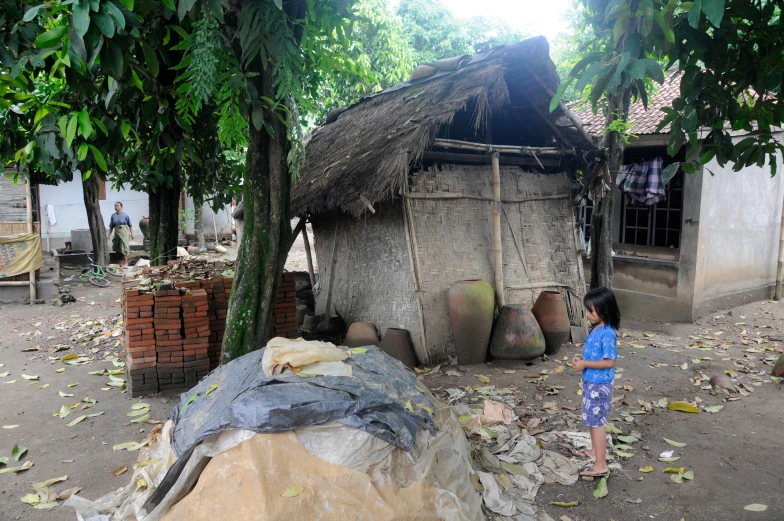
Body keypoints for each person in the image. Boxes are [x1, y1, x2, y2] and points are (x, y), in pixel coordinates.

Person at [572, 286, 620, 478]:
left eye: (591, 311)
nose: (587, 314)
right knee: (592, 421)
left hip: (599, 386)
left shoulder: (607, 333)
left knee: (597, 423)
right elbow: (595, 354)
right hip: (591, 383)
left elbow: (610, 361)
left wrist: (585, 364)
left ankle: (600, 465)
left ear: (604, 310)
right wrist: (580, 360)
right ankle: (594, 451)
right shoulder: (597, 328)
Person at [107, 202, 134, 268]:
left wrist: (132, 233)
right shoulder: (113, 216)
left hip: (124, 233)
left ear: (121, 207)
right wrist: (109, 234)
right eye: (115, 206)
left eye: (117, 205)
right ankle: (120, 261)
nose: (116, 207)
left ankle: (126, 263)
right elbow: (111, 226)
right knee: (118, 247)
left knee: (124, 246)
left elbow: (130, 225)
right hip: (117, 233)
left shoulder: (125, 215)